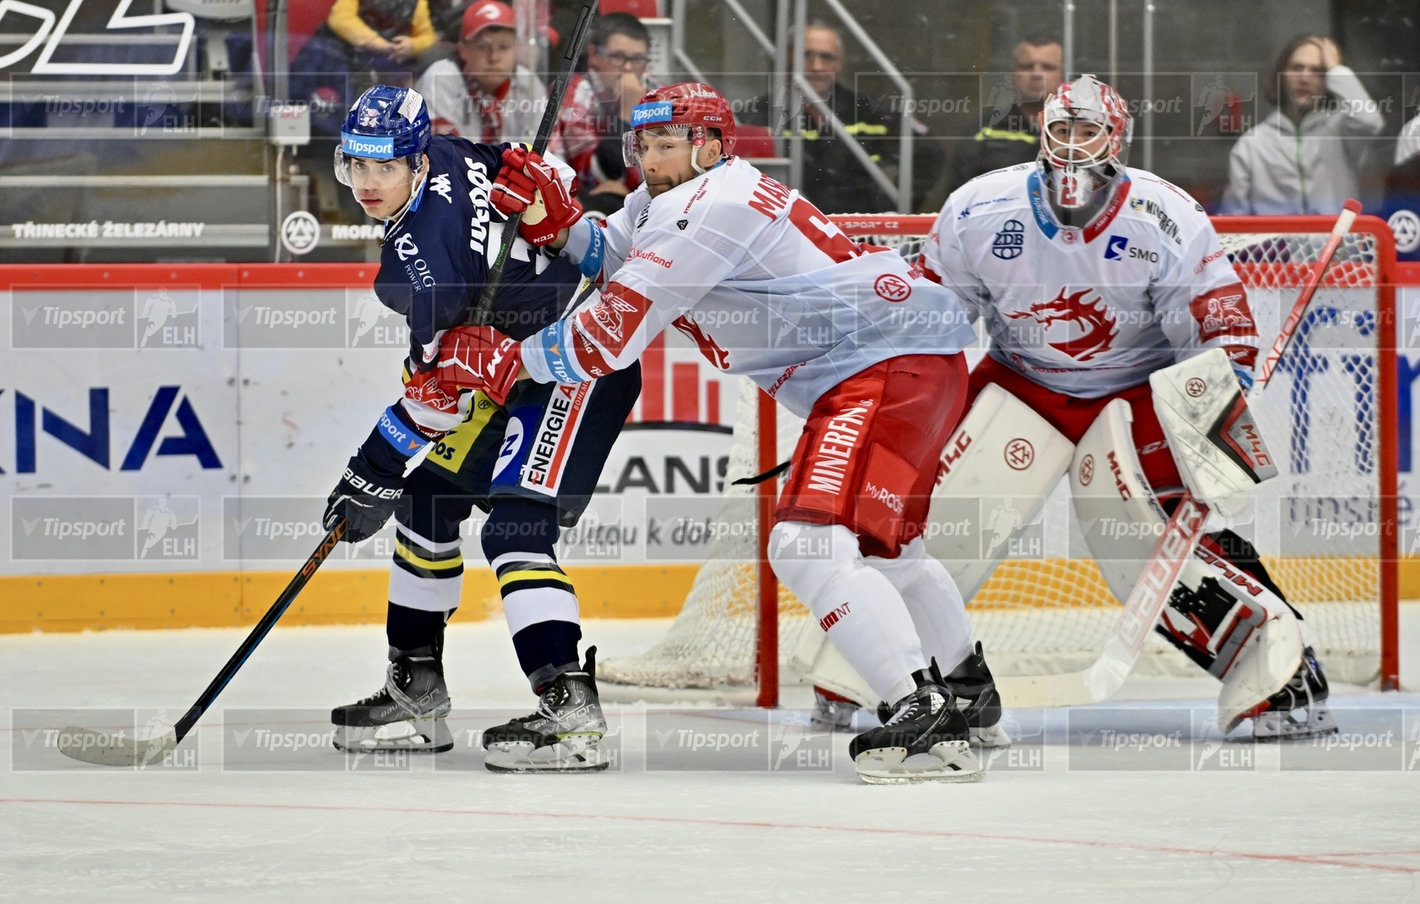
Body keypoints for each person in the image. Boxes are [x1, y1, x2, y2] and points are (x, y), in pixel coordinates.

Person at [431, 81, 1010, 784]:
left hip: (885, 368)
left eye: (665, 144)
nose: (649, 157)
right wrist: (561, 226)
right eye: (642, 144)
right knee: (890, 550)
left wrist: (506, 361)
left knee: (804, 544)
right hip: (915, 361)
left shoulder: (712, 208)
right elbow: (617, 253)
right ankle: (969, 694)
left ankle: (923, 718)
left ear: (710, 145)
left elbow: (610, 335)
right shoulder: (679, 196)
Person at [920, 74, 1338, 740]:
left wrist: (1222, 383)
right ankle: (888, 672)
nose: (1075, 147)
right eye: (1063, 130)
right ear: (1042, 132)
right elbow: (933, 320)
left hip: (1133, 388)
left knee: (1170, 531)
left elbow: (1216, 321)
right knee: (938, 519)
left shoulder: (1164, 215)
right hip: (1020, 380)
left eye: (1090, 133)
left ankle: (1285, 668)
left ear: (1118, 139)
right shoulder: (980, 208)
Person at [320, 84, 641, 772]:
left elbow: (436, 400)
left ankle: (568, 702)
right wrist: (545, 178)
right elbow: (515, 160)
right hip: (511, 364)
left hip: (578, 358)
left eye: (385, 167)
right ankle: (417, 688)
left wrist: (367, 472)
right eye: (358, 166)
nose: (370, 183)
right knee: (427, 501)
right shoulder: (448, 149)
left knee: (514, 527)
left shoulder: (421, 270)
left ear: (416, 163)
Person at [740, 21, 905, 213]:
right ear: (788, 58)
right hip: (789, 232)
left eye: (827, 57)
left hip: (856, 234)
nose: (816, 66)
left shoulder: (867, 111)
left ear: (840, 63)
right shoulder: (757, 115)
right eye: (806, 55)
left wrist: (886, 206)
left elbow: (927, 154)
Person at [1219, 34, 1385, 215]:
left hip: (1340, 242)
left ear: (1329, 81)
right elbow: (1233, 217)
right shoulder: (1252, 144)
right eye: (1297, 68)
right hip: (1275, 244)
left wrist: (1336, 69)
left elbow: (1370, 121)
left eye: (1318, 71)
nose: (1305, 78)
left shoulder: (1342, 130)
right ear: (1281, 76)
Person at [927, 35, 1062, 208]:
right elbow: (958, 197)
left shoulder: (1080, 131)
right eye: (1027, 66)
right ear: (1013, 74)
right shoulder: (982, 129)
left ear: (1062, 74)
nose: (1036, 74)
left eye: (1048, 67)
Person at [556, 12, 659, 215]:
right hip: (582, 208)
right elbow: (595, 176)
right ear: (594, 55)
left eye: (637, 59)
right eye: (618, 57)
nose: (628, 68)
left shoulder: (656, 92)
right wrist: (628, 110)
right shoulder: (574, 93)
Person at [415, 0, 551, 144]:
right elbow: (444, 155)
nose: (494, 57)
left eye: (504, 47)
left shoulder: (529, 84)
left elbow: (549, 153)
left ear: (516, 50)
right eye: (483, 47)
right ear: (463, 49)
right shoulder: (439, 79)